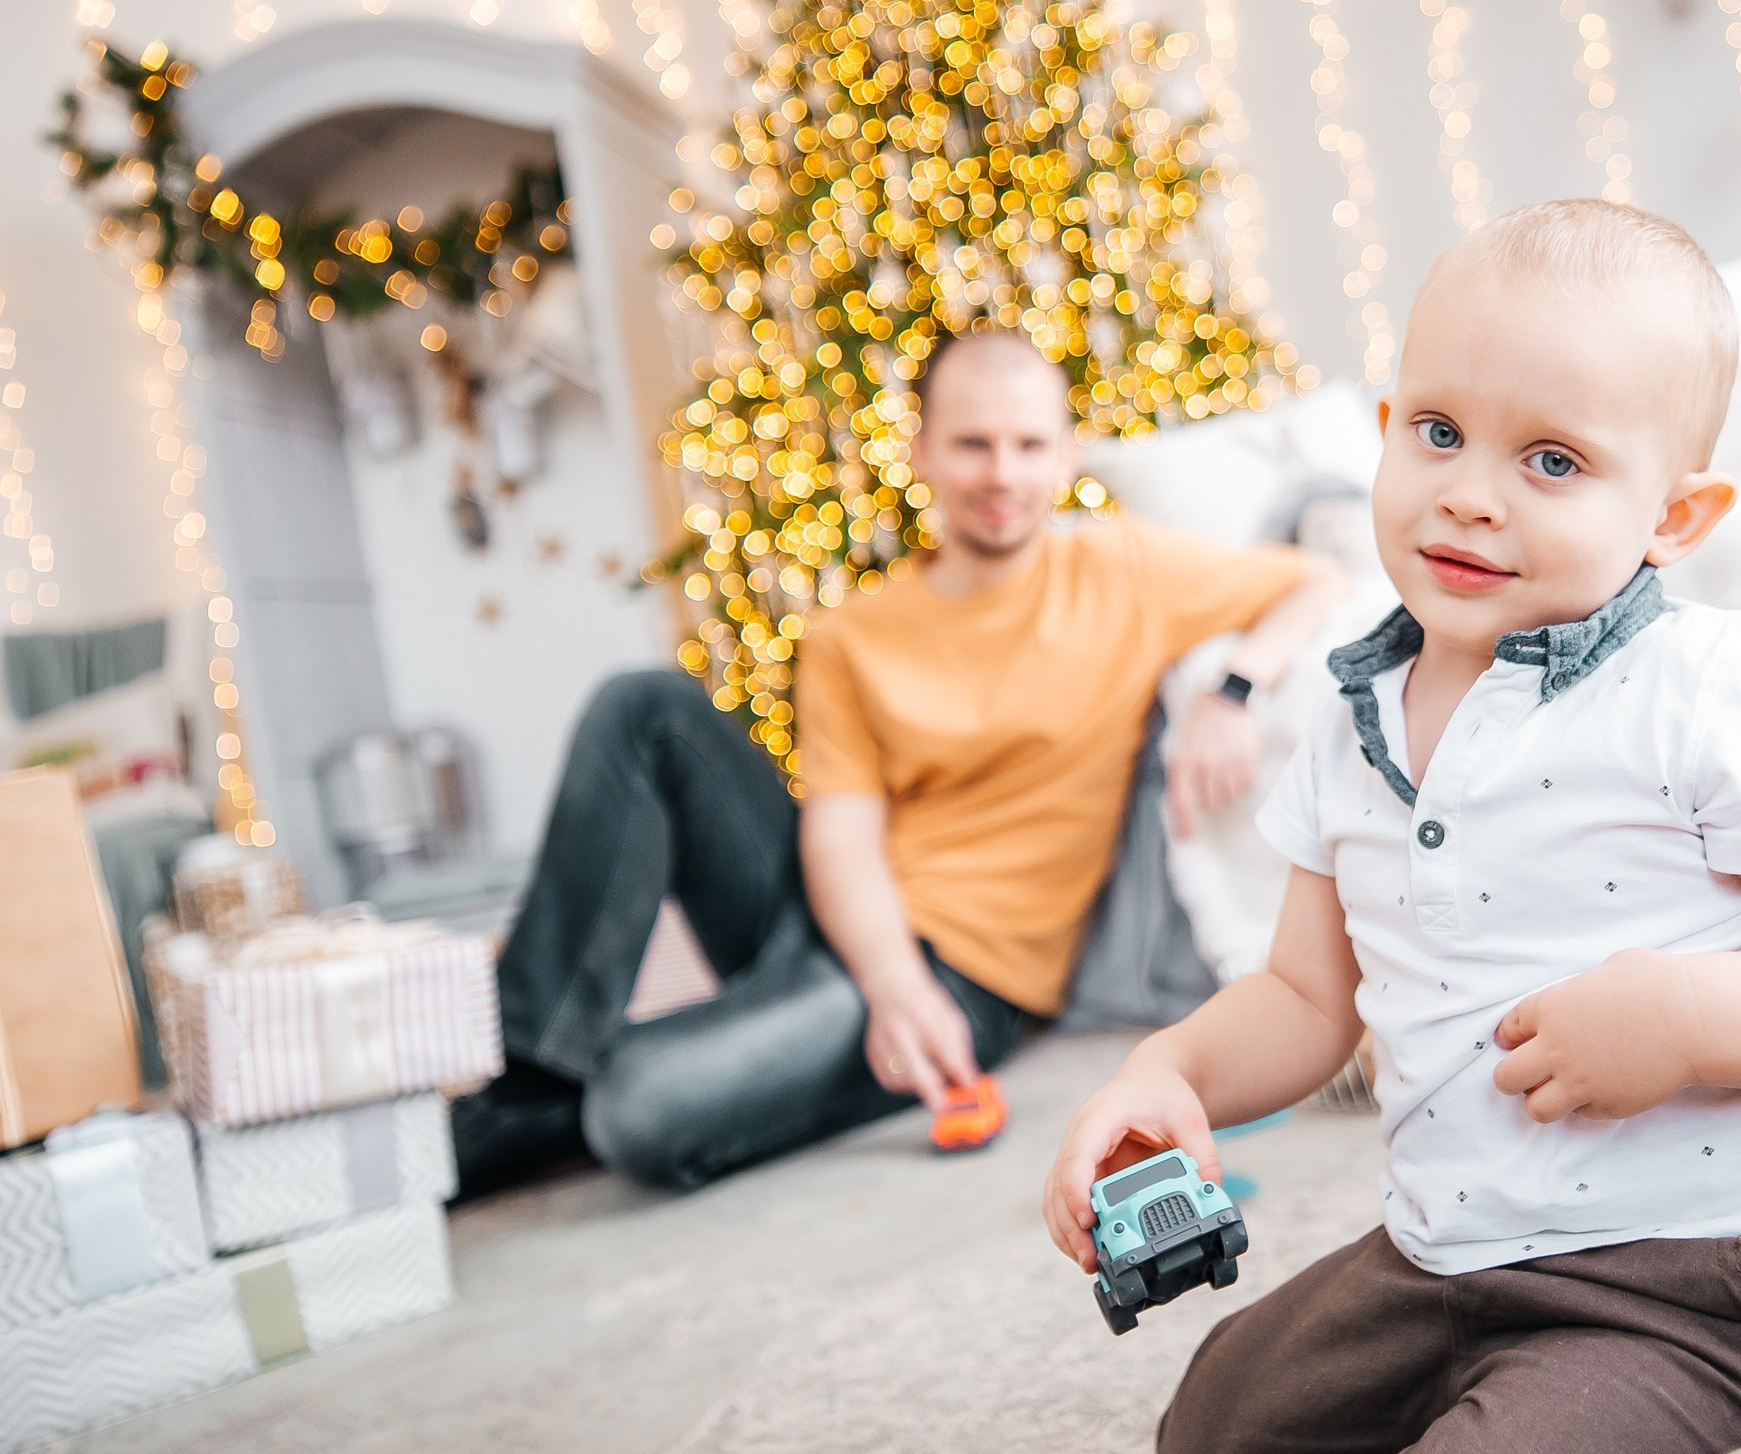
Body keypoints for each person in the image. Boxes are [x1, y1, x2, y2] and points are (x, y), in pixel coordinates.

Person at [1041, 200, 1741, 1454]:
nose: (1471, 491)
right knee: (1220, 1445)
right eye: (1438, 432)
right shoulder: (1344, 714)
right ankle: (1532, 1404)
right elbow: (1311, 1001)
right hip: (1452, 1259)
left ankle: (1710, 1440)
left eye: (1551, 458)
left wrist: (1695, 1016)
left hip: (1718, 1286)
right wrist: (1169, 1070)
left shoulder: (1711, 687)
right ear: (1384, 433)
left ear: (1675, 514)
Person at [454, 328, 1343, 1194]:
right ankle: (527, 1075)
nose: (1002, 474)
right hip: (837, 913)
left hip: (970, 972)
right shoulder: (853, 636)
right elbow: (840, 832)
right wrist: (888, 982)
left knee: (636, 1109)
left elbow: (1316, 578)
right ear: (920, 452)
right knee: (643, 706)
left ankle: (558, 1096)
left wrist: (1235, 688)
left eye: (1029, 445)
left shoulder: (1123, 568)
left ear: (1066, 454)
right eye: (972, 444)